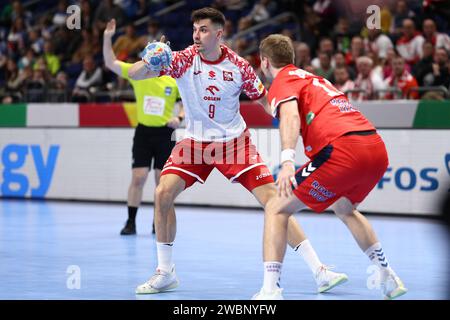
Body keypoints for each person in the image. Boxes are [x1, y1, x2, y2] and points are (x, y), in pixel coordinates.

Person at [128, 7, 347, 294]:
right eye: (194, 29)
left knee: (274, 201)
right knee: (162, 193)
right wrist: (148, 60)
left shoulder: (239, 66)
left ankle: (320, 271)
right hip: (194, 142)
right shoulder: (181, 60)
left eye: (203, 29)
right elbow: (134, 74)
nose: (196, 35)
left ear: (219, 33)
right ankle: (165, 272)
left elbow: (266, 101)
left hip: (234, 143)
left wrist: (296, 123)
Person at [254, 34, 408, 300]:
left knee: (275, 208)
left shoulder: (282, 81)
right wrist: (258, 96)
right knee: (345, 208)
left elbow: (289, 116)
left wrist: (287, 160)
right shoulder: (312, 78)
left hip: (342, 150)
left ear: (264, 62)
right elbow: (280, 108)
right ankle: (387, 275)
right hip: (374, 148)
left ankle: (270, 290)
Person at [103, 19, 185, 235]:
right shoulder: (139, 75)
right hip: (144, 132)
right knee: (138, 177)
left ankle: (157, 222)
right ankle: (130, 221)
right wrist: (107, 38)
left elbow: (186, 102)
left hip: (165, 133)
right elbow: (111, 63)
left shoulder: (172, 80)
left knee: (162, 181)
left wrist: (180, 117)